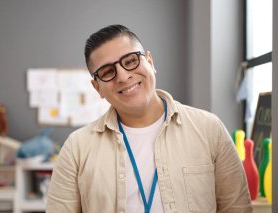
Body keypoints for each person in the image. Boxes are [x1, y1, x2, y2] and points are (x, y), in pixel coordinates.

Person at [46, 24, 252, 213]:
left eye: (130, 61)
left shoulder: (209, 129)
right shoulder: (77, 148)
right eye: (108, 72)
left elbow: (238, 209)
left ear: (150, 62)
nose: (123, 76)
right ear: (97, 87)